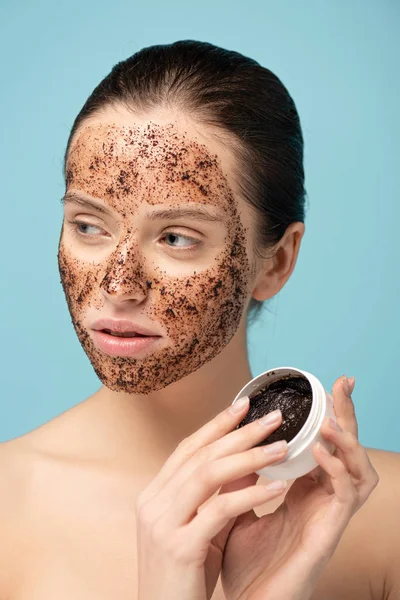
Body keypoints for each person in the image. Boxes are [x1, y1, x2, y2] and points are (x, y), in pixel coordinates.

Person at [0, 39, 398, 600]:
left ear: (276, 261)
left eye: (177, 237)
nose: (118, 286)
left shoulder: (382, 521)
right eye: (88, 226)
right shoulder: (6, 510)